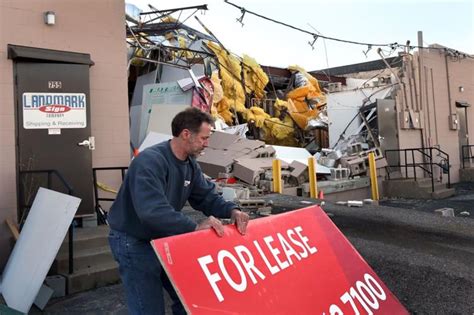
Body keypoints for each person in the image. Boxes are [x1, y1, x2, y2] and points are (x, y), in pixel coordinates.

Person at [108, 107, 249, 315]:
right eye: (203, 138)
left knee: (188, 300)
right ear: (186, 134)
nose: (207, 143)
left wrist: (232, 211)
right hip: (134, 240)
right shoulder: (149, 162)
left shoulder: (189, 164)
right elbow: (152, 211)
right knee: (148, 308)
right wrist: (194, 227)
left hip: (163, 237)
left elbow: (206, 196)